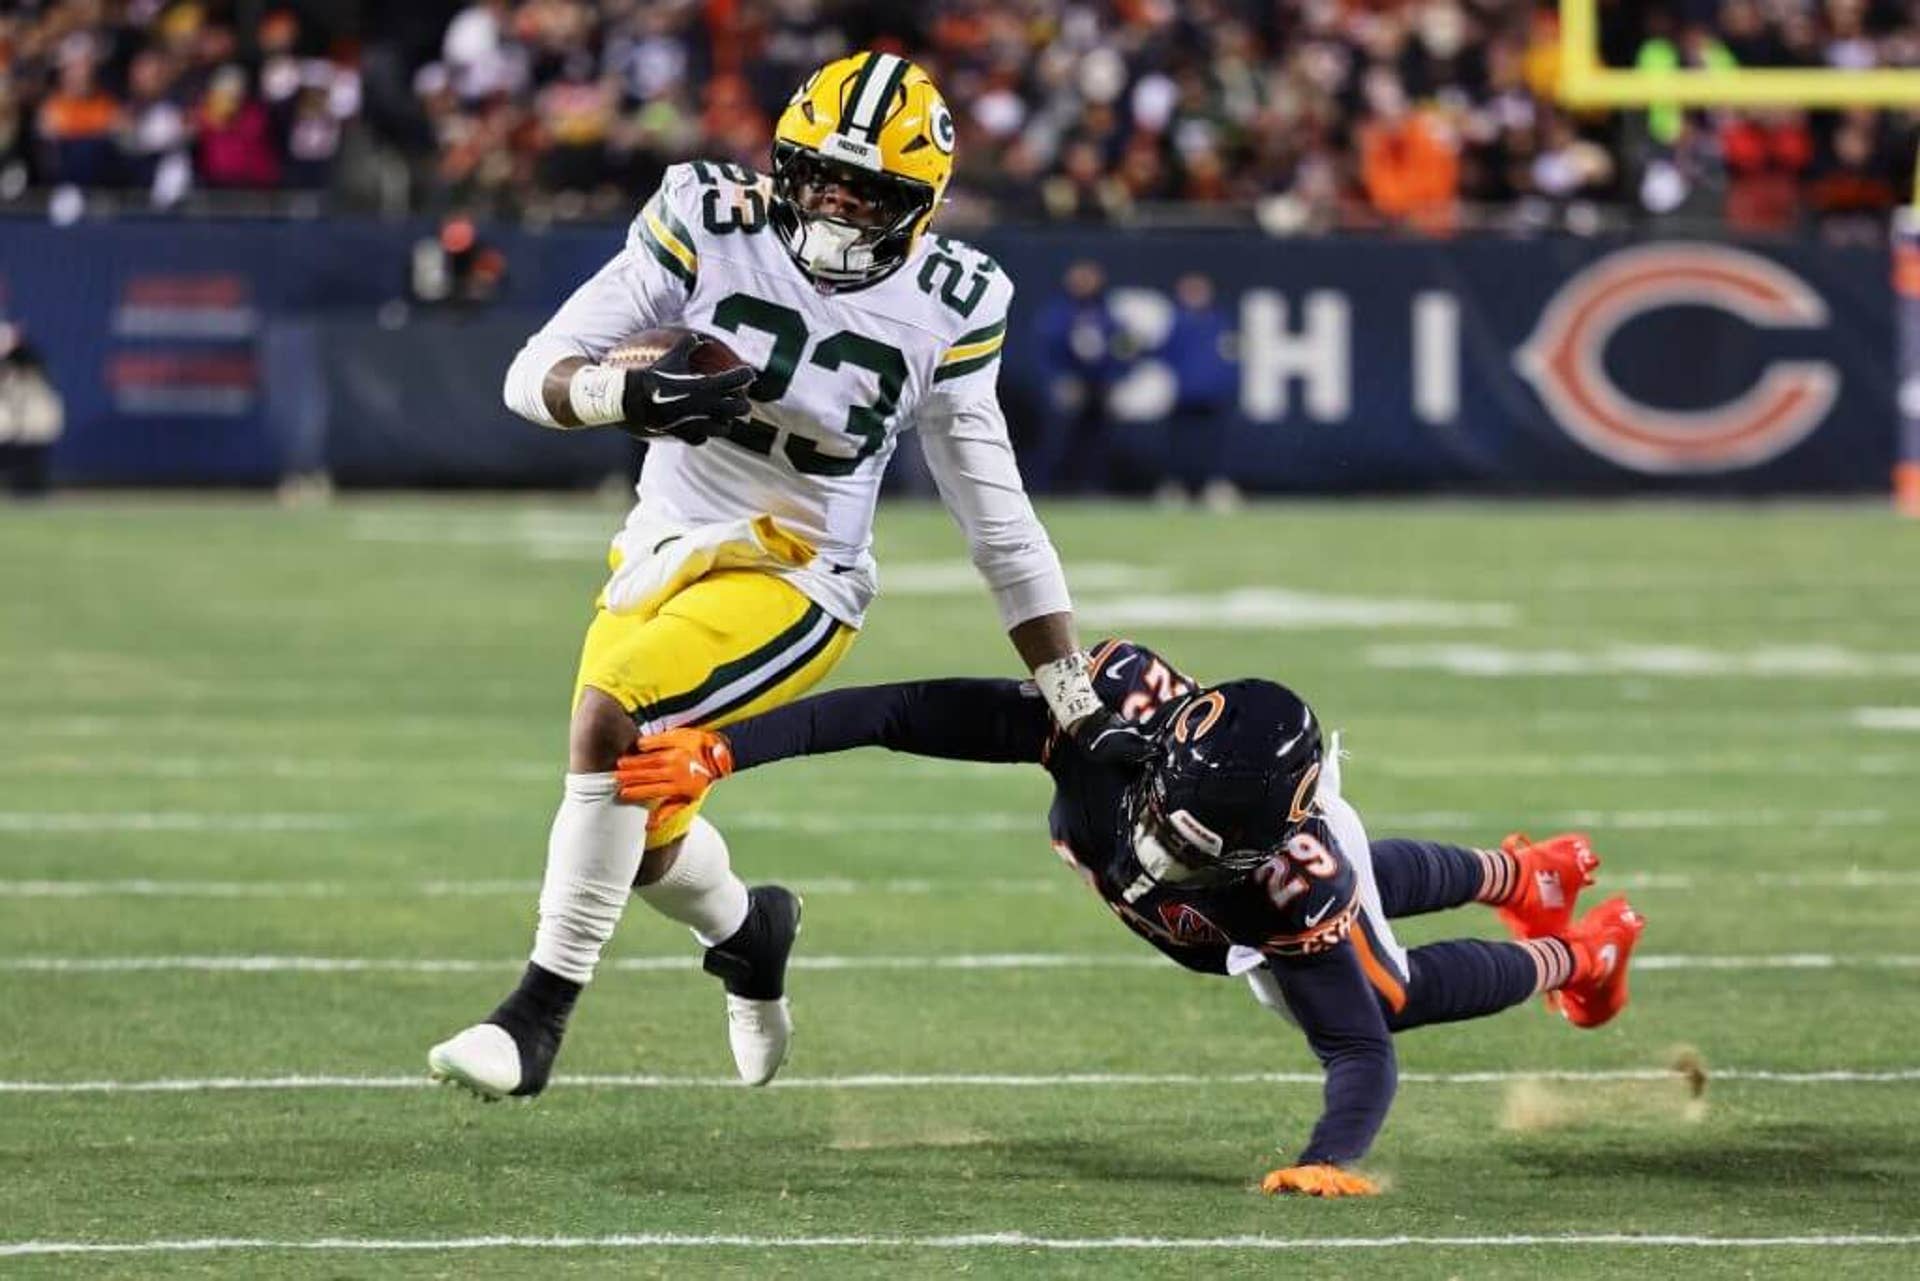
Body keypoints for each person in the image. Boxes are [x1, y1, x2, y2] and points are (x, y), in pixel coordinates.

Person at [428, 52, 1151, 1101]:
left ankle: (534, 1017)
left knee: (608, 719)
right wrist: (620, 397)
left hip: (799, 573)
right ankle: (751, 930)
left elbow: (997, 520)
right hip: (663, 549)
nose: (836, 205)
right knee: (635, 835)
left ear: (923, 208)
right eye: (819, 175)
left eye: (871, 193)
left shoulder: (951, 300)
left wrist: (1073, 697)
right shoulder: (705, 219)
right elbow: (531, 372)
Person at [613, 639, 1647, 1195]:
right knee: (1368, 903)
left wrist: (1327, 1161)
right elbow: (897, 711)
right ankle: (1522, 873)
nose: (1169, 854)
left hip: (1293, 897)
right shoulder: (1102, 724)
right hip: (1259, 843)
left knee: (1391, 993)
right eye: (1173, 823)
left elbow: (1359, 1053)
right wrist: (726, 747)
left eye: (1206, 849)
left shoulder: (1290, 876)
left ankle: (1577, 953)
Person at [0, 323, 63, 497]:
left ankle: (34, 493)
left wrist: (14, 346)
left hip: (34, 420)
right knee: (14, 461)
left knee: (32, 464)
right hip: (13, 422)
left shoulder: (28, 361)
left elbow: (28, 360)